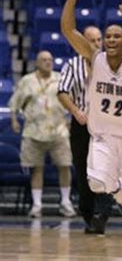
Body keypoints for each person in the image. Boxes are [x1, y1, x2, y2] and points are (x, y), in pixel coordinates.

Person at [61, 0, 122, 251]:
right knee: (98, 183)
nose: (111, 40)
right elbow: (68, 30)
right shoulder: (94, 58)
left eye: (117, 36)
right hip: (102, 134)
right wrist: (71, 1)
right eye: (108, 36)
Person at [58, 26, 114, 234]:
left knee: (105, 166)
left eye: (99, 40)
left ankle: (103, 212)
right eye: (91, 40)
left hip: (106, 125)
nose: (96, 44)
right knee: (83, 170)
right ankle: (89, 215)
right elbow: (62, 91)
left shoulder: (111, 65)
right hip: (81, 124)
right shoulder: (73, 65)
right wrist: (75, 111)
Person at [9, 51, 76, 218]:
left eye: (50, 60)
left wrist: (70, 118)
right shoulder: (27, 80)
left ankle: (66, 203)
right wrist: (14, 120)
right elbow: (15, 103)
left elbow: (73, 101)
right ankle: (37, 205)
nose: (48, 62)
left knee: (65, 165)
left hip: (58, 130)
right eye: (44, 60)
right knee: (36, 169)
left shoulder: (61, 78)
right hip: (34, 131)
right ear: (37, 63)